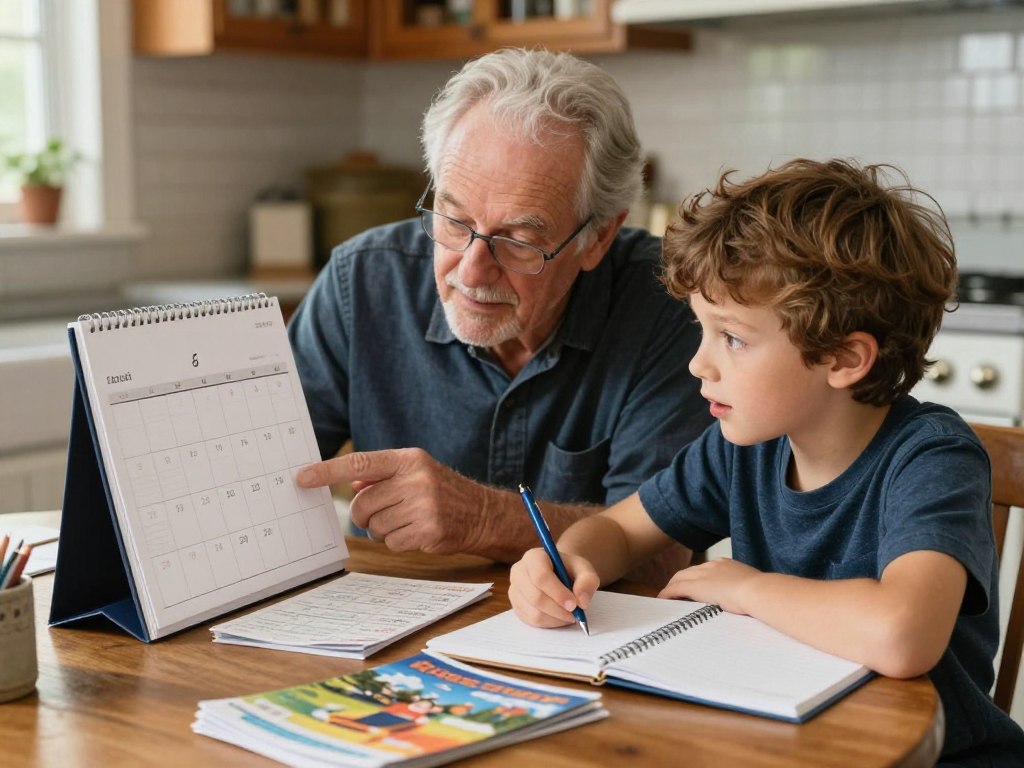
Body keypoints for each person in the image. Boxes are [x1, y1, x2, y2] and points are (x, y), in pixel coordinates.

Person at [508, 158, 1024, 764]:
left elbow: (902, 633)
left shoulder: (931, 457)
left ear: (842, 358)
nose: (700, 364)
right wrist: (564, 562)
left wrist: (749, 589)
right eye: (702, 331)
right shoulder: (742, 449)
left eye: (732, 338)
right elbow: (620, 529)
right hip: (794, 741)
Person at [290, 48, 710, 569]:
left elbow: (662, 549)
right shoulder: (362, 282)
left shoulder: (669, 306)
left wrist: (486, 518)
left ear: (598, 237)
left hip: (583, 632)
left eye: (518, 242)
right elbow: (260, 484)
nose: (469, 272)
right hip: (385, 620)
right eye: (452, 218)